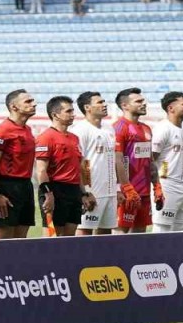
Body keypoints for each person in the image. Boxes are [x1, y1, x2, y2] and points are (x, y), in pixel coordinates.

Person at [73, 91, 139, 236]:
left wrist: (116, 188)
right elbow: (79, 164)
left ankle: (101, 260)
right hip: (92, 192)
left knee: (105, 233)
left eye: (104, 102)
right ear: (87, 108)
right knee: (84, 230)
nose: (104, 105)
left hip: (109, 192)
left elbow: (113, 160)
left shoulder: (109, 129)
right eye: (99, 102)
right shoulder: (80, 130)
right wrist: (84, 193)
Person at [36, 96, 94, 237]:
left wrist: (83, 193)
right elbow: (41, 170)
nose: (73, 114)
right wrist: (48, 194)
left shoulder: (74, 138)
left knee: (69, 236)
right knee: (52, 235)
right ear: (55, 115)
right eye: (68, 111)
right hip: (55, 189)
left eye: (73, 111)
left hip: (73, 191)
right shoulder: (46, 137)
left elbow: (78, 169)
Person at [0, 90, 37, 239]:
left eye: (32, 100)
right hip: (6, 186)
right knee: (3, 241)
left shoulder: (27, 130)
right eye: (28, 101)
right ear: (14, 106)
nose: (34, 104)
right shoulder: (1, 131)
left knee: (21, 239)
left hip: (25, 186)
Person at [112, 88, 157, 234]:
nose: (144, 104)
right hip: (126, 193)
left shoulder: (146, 128)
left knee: (140, 236)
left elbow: (150, 160)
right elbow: (116, 159)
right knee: (120, 234)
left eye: (143, 101)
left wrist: (156, 185)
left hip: (143, 192)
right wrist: (125, 187)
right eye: (138, 101)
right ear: (125, 105)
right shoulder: (118, 128)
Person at [151, 91, 183, 233]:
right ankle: (158, 256)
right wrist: (157, 186)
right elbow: (151, 159)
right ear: (171, 108)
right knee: (163, 228)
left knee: (180, 228)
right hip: (167, 184)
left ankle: (175, 256)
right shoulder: (162, 129)